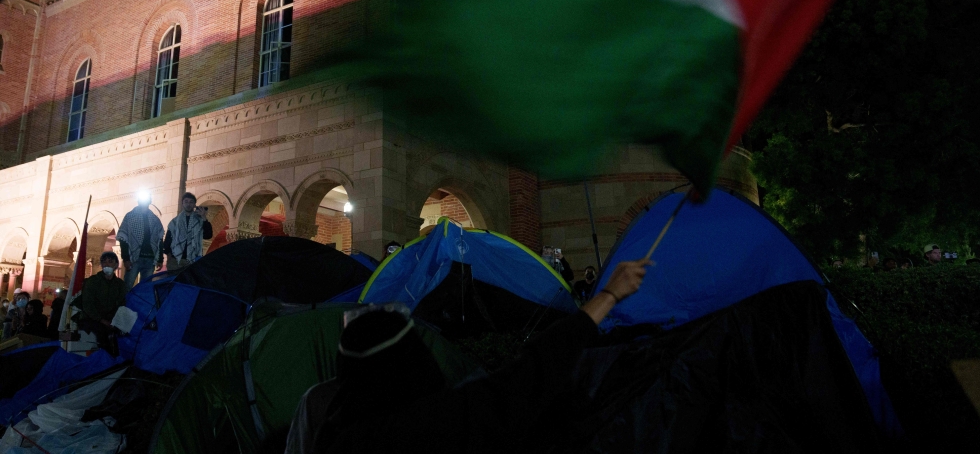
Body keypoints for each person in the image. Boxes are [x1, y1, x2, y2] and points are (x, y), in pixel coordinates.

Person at [286, 258, 651, 454]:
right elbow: (526, 376)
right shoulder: (433, 424)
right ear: (411, 360)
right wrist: (607, 298)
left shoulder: (332, 433)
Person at [77, 251, 128, 354]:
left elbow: (122, 304)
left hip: (112, 321)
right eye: (104, 262)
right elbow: (88, 305)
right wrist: (101, 320)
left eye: (110, 261)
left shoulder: (120, 284)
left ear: (116, 264)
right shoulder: (92, 282)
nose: (107, 264)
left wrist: (116, 321)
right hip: (92, 321)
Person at [118, 191, 164, 288]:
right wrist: (126, 258)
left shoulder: (155, 219)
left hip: (150, 259)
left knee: (145, 288)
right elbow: (123, 238)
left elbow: (159, 239)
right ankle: (125, 303)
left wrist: (160, 259)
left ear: (150, 201)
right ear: (138, 200)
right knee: (127, 285)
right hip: (134, 258)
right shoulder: (130, 216)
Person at [163, 193, 214, 271]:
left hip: (193, 260)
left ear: (194, 204)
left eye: (191, 202)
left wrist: (204, 217)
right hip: (176, 260)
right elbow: (167, 241)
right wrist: (169, 256)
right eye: (186, 201)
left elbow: (208, 235)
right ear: (182, 203)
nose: (188, 204)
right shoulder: (174, 222)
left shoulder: (199, 221)